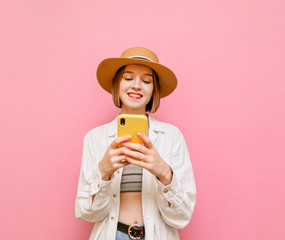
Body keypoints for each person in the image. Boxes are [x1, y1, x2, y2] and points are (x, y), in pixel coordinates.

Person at [75, 47, 196, 240]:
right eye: (128, 78)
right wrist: (103, 173)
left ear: (153, 89)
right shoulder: (94, 138)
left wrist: (164, 173)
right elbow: (88, 213)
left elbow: (182, 217)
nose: (137, 85)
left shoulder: (172, 136)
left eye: (146, 80)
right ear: (117, 84)